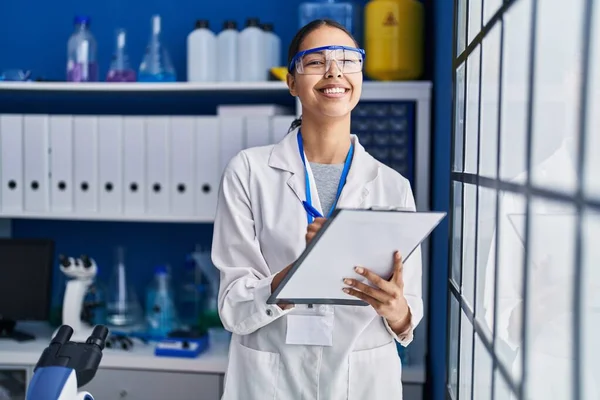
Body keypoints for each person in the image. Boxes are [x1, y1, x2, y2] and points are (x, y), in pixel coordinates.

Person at [211, 19, 423, 400]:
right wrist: (300, 273)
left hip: (362, 382)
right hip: (271, 380)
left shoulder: (392, 186)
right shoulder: (249, 171)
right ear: (292, 81)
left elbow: (410, 316)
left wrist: (397, 310)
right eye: (315, 62)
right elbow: (233, 308)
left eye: (348, 60)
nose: (334, 72)